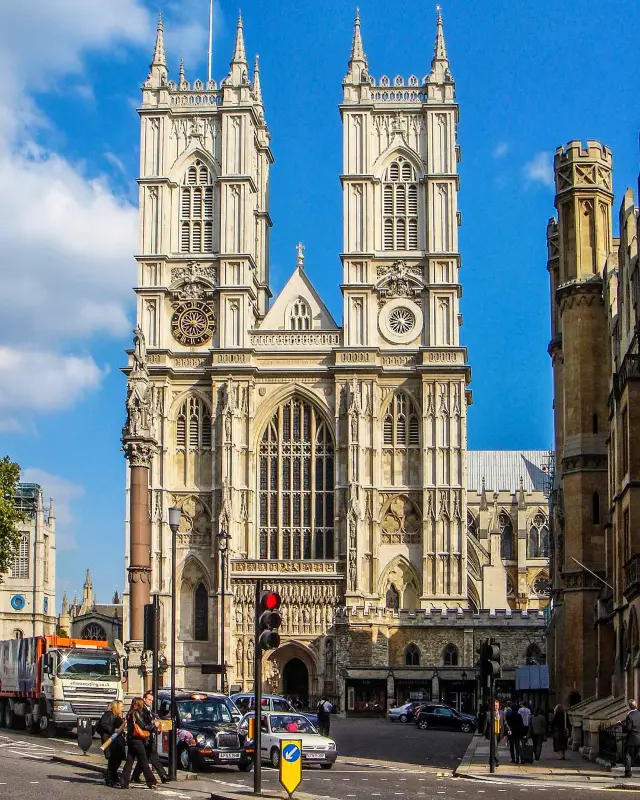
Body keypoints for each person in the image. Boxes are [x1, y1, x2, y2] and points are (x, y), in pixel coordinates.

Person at [131, 691, 169, 784]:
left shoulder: (149, 710)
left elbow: (152, 722)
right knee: (153, 756)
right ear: (144, 699)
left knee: (144, 758)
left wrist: (157, 728)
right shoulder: (141, 710)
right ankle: (163, 775)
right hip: (144, 737)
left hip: (149, 736)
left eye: (152, 700)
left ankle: (135, 776)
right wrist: (154, 726)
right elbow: (144, 725)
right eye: (149, 699)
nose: (151, 701)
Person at [119, 697, 158, 789]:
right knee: (143, 760)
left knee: (129, 761)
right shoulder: (136, 713)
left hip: (130, 739)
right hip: (137, 740)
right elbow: (143, 726)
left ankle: (124, 781)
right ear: (139, 704)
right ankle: (151, 780)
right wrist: (153, 725)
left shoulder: (129, 714)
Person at [96, 700, 126, 788]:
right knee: (114, 759)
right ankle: (111, 778)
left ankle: (110, 777)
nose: (122, 708)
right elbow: (104, 725)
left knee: (116, 759)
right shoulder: (108, 714)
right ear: (115, 707)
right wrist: (113, 730)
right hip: (110, 740)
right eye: (121, 707)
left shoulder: (117, 716)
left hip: (116, 740)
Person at [617, 698, 640, 778]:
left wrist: (621, 724)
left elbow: (628, 729)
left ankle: (628, 773)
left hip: (632, 739)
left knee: (627, 755)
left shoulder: (629, 715)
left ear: (629, 706)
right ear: (636, 705)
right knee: (637, 754)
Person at [484, 699, 504, 768]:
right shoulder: (488, 713)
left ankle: (490, 761)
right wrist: (484, 733)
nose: (496, 707)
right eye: (495, 705)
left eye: (497, 705)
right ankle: (497, 760)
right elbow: (486, 724)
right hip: (492, 733)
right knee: (494, 747)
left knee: (494, 748)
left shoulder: (501, 712)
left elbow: (504, 722)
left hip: (499, 733)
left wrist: (508, 730)